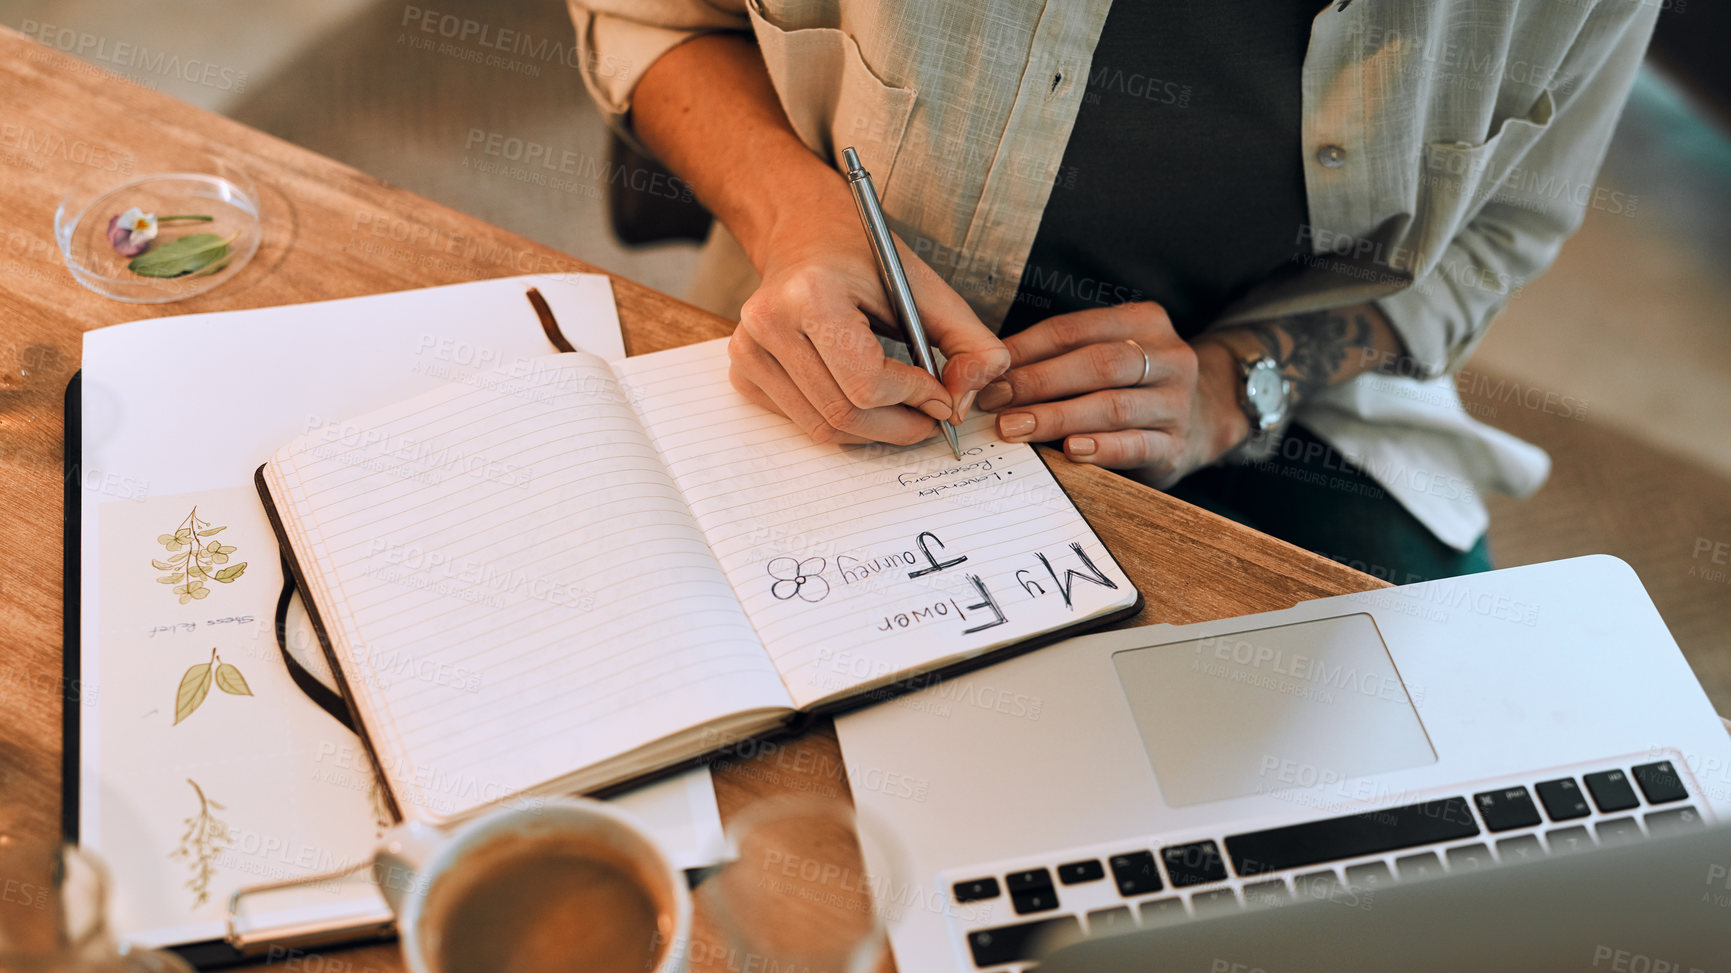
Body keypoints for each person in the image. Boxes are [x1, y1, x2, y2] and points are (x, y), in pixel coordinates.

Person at [565, 0, 1656, 583]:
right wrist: (791, 217)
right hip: (830, 362)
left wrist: (1239, 388)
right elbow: (652, 15)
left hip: (1298, 423)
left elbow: (1503, 228)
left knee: (1432, 820)